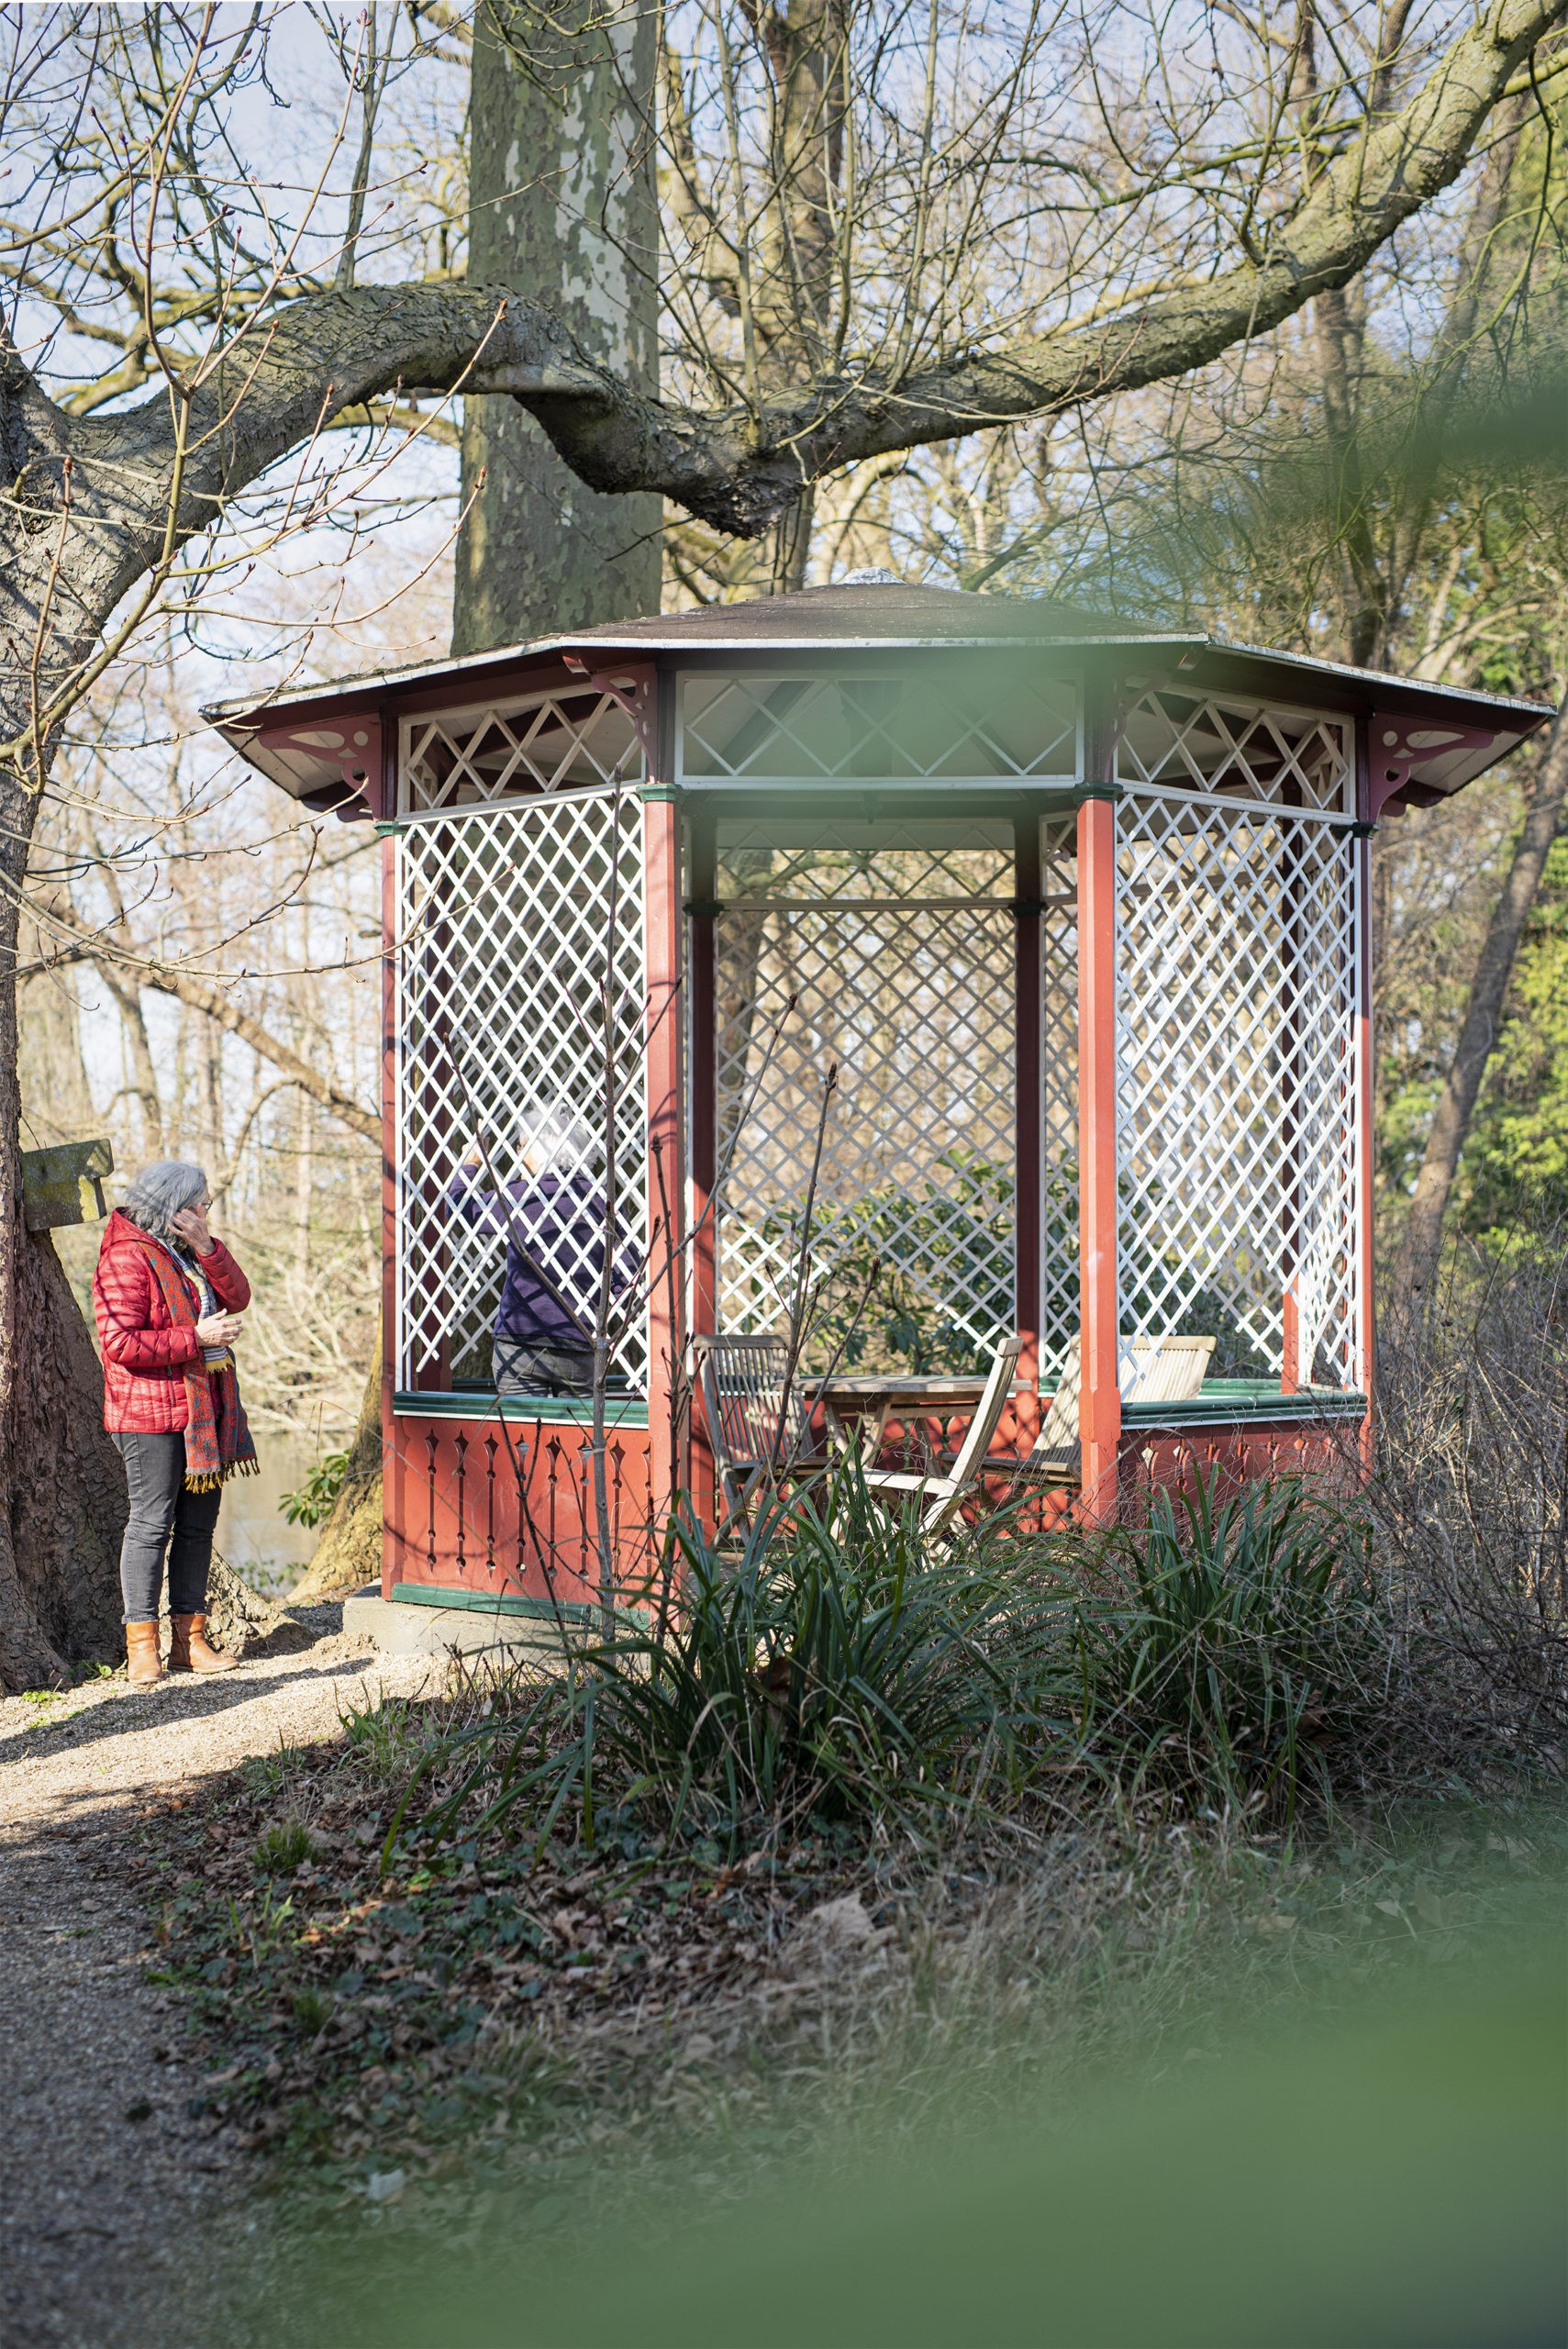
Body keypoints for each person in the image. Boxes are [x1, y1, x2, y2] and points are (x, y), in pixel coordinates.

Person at [93, 1161, 257, 1684]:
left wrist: (208, 1246)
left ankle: (190, 1641)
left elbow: (238, 1297)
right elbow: (119, 1343)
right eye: (202, 1205)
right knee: (150, 1524)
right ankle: (143, 1647)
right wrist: (197, 1339)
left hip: (202, 1411)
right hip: (147, 1413)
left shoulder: (188, 1251)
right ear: (176, 1206)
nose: (207, 1212)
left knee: (197, 1526)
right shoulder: (126, 1256)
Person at [453, 1105, 636, 1397]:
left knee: (521, 1427)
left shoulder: (520, 1196)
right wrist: (599, 1311)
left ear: (536, 1149)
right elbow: (628, 1273)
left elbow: (462, 1208)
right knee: (581, 1427)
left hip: (519, 1344)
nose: (517, 1153)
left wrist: (470, 1164)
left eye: (521, 1145)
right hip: (579, 1342)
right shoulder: (602, 1200)